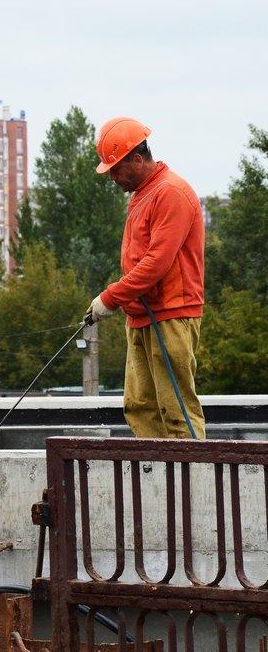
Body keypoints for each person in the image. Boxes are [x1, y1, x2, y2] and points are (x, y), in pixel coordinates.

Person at [85, 117, 206, 439]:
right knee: (140, 407)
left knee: (176, 410)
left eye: (116, 169)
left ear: (137, 160)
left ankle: (192, 470)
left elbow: (156, 262)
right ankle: (156, 469)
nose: (112, 177)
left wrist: (111, 297)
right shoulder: (144, 193)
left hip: (170, 314)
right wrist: (122, 300)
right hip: (142, 314)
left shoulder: (171, 192)